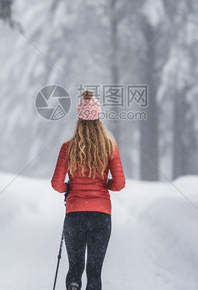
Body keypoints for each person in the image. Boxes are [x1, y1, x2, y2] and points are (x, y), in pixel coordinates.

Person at [51, 89, 126, 290]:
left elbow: (56, 184)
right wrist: (105, 185)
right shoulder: (110, 147)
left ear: (79, 120)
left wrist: (68, 187)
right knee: (94, 272)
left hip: (74, 215)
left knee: (75, 268)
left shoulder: (68, 147)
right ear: (98, 119)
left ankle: (74, 284)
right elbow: (119, 184)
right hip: (101, 216)